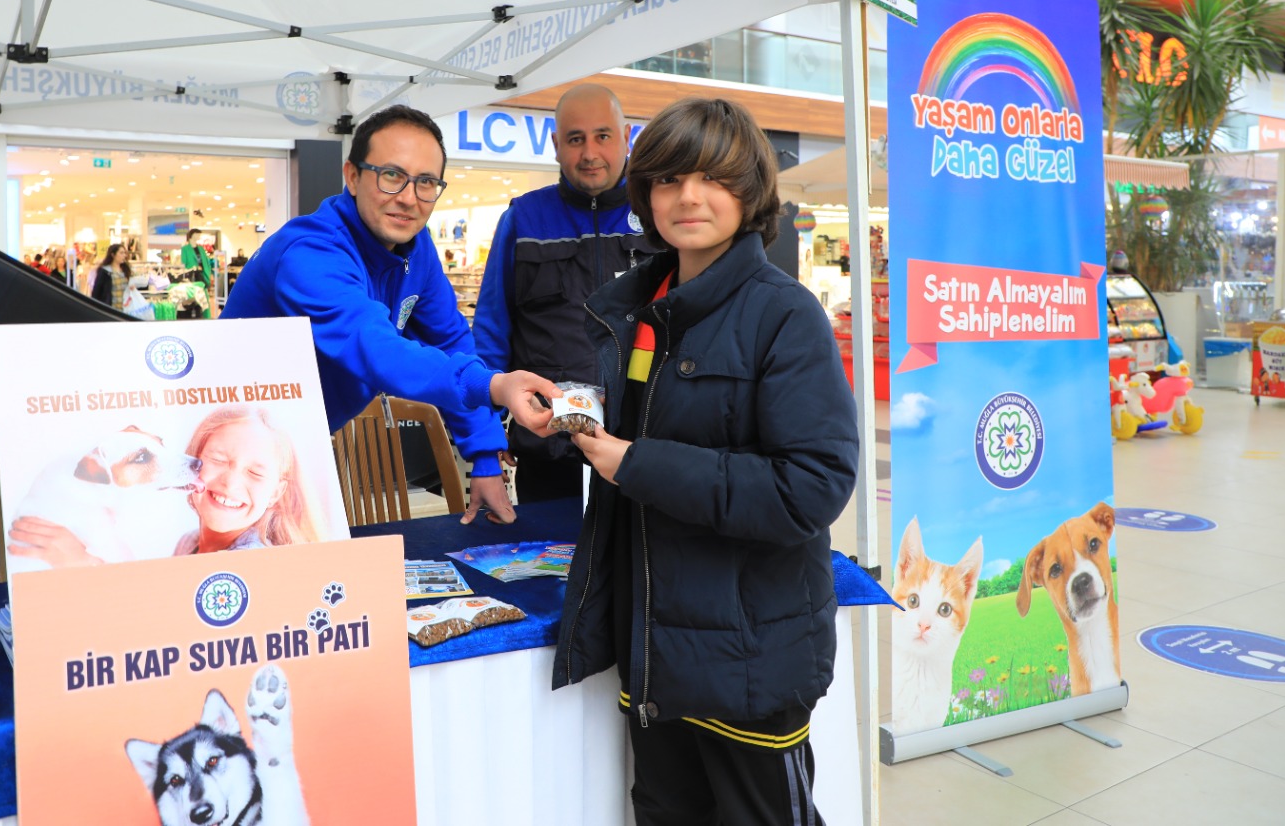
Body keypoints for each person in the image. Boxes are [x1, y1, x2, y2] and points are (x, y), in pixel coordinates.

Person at [552, 97, 858, 825]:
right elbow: (632, 438)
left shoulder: (784, 315)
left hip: (752, 659)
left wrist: (634, 463)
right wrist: (571, 422)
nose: (687, 197)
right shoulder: (640, 309)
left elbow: (809, 489)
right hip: (655, 653)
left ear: (750, 193)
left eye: (712, 178)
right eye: (667, 180)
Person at [222, 104, 559, 525]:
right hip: (224, 444)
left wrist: (485, 457)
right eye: (392, 176)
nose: (409, 198)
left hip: (288, 443)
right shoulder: (309, 252)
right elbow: (375, 348)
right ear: (352, 175)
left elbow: (452, 340)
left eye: (426, 183)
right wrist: (491, 384)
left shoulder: (415, 251)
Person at [474, 84, 660, 500]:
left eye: (603, 136)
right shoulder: (523, 220)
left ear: (626, 136)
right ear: (556, 144)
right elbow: (490, 334)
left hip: (641, 452)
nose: (590, 152)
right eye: (575, 139)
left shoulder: (657, 213)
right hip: (547, 449)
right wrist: (486, 442)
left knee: (637, 567)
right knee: (551, 566)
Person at [8, 404, 318, 566]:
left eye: (255, 473)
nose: (230, 481)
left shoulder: (252, 560)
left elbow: (161, 623)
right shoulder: (189, 543)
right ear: (196, 460)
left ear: (277, 492)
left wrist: (82, 564)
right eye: (219, 459)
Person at [91, 242, 130, 308]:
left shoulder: (126, 270)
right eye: (121, 253)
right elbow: (96, 292)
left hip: (126, 307)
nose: (124, 255)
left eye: (124, 253)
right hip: (111, 308)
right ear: (113, 255)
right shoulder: (105, 271)